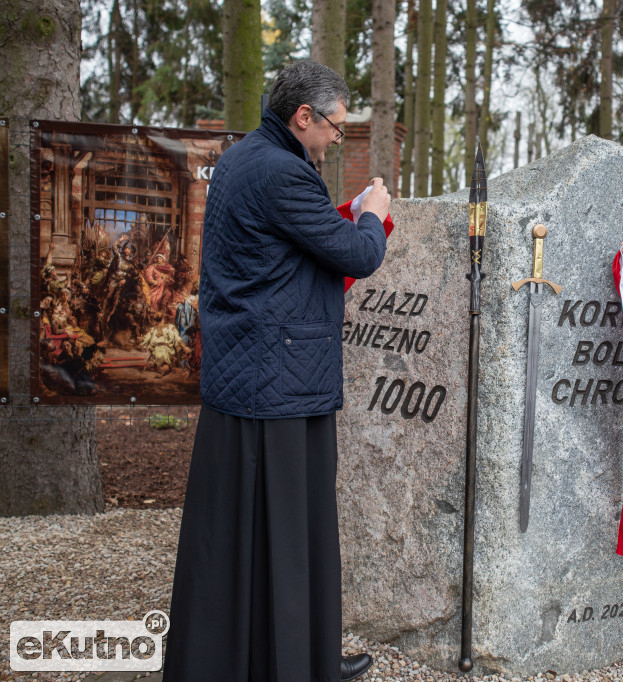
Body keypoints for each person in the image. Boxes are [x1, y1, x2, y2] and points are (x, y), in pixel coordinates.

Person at [162, 60, 390, 682]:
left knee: (236, 539)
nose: (336, 140)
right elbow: (356, 254)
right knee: (291, 534)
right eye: (335, 129)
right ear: (303, 116)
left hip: (247, 371)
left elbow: (282, 251)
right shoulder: (286, 173)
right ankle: (300, 665)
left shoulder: (241, 157)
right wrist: (372, 211)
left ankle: (260, 658)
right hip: (280, 379)